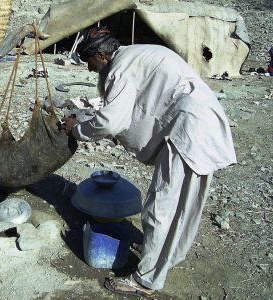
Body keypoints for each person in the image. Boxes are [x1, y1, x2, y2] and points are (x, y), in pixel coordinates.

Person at [62, 26, 237, 297]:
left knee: (161, 209)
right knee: (181, 207)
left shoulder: (121, 68)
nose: (88, 68)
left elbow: (112, 121)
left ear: (101, 55)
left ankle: (145, 281)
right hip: (197, 125)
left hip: (188, 132)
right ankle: (163, 260)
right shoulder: (133, 56)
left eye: (89, 61)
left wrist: (77, 129)